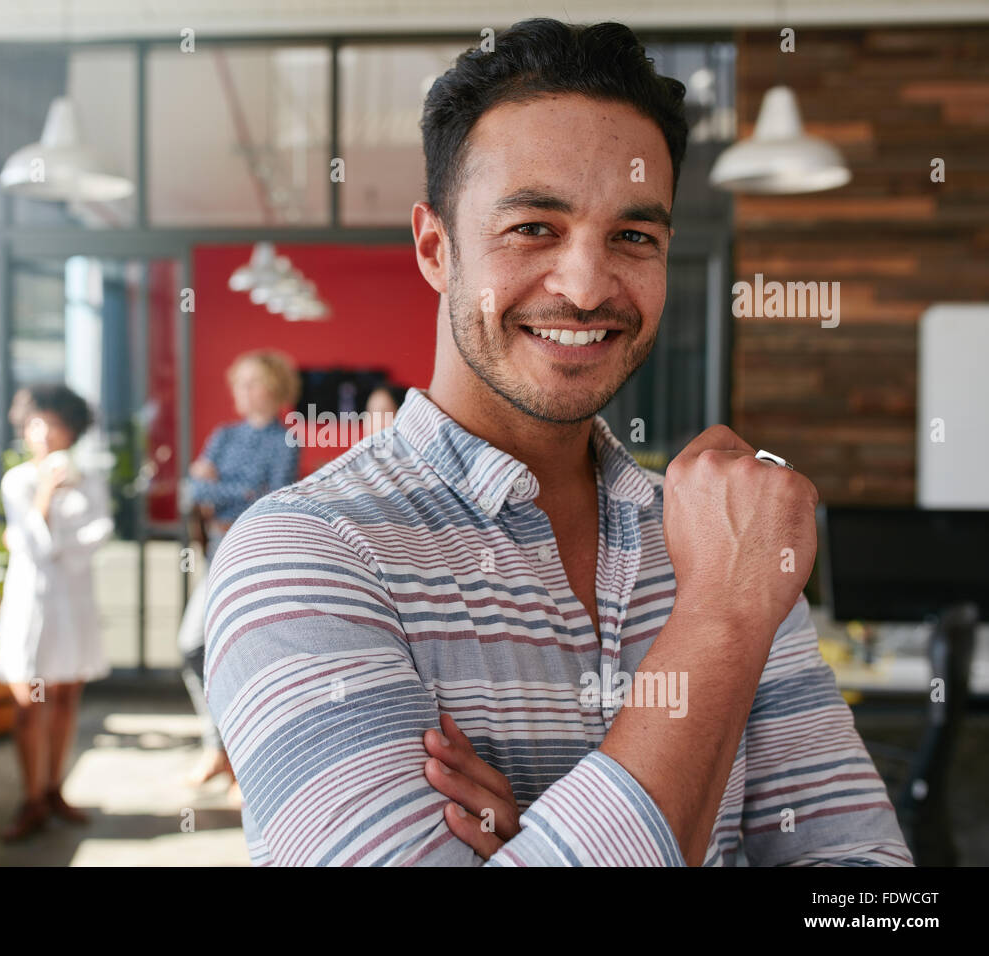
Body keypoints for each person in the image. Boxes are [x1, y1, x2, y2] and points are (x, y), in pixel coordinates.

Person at [203, 20, 913, 866]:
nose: (585, 286)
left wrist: (533, 838)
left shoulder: (718, 542)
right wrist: (720, 622)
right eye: (534, 227)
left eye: (633, 236)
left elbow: (869, 889)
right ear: (437, 248)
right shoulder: (303, 557)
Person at [177, 350, 301, 803]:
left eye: (255, 382)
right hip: (214, 556)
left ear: (275, 389)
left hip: (253, 556)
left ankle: (247, 766)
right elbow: (192, 491)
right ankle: (218, 746)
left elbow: (268, 501)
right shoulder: (224, 436)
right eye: (240, 381)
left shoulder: (285, 440)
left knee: (248, 657)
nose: (245, 391)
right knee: (193, 649)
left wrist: (219, 491)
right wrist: (231, 493)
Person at [0, 385, 114, 842]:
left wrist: (49, 543)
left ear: (72, 429)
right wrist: (45, 494)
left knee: (66, 699)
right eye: (34, 424)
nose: (42, 435)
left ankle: (53, 788)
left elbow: (97, 535)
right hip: (32, 604)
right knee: (30, 703)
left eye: (53, 424)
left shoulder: (90, 480)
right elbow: (31, 545)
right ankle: (31, 799)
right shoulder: (19, 481)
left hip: (75, 603)